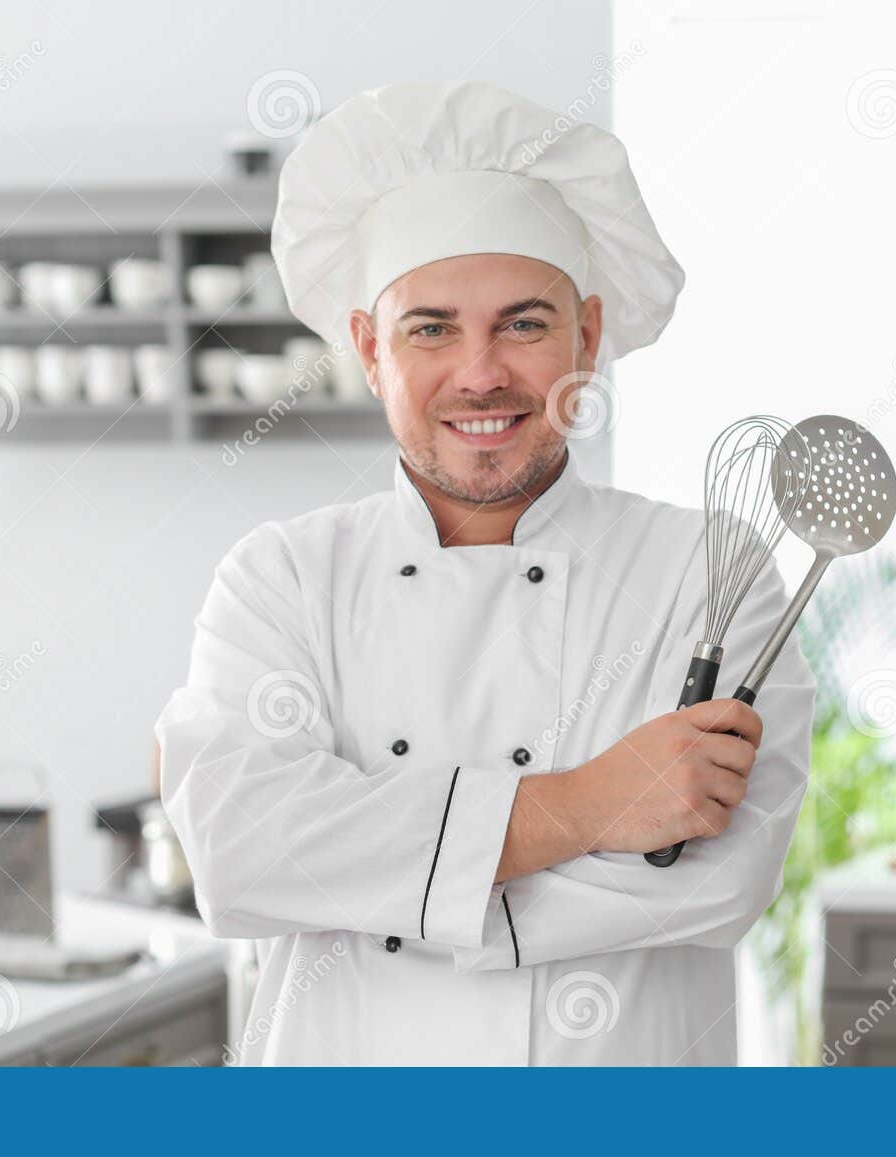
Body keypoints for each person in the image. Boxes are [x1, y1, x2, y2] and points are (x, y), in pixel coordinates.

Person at [155, 81, 814, 1065]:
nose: (480, 372)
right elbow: (242, 849)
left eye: (523, 323)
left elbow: (719, 877)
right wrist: (590, 804)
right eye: (430, 328)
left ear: (587, 336)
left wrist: (384, 883)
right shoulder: (279, 579)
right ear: (370, 350)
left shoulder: (707, 572)